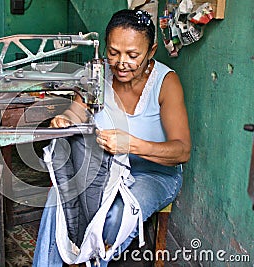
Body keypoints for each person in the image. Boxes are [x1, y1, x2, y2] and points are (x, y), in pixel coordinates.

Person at [33, 9, 191, 266]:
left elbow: (181, 151)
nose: (120, 63)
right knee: (58, 199)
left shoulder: (166, 82)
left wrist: (130, 144)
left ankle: (92, 260)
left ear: (151, 52)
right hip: (102, 169)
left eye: (133, 55)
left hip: (152, 174)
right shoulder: (97, 74)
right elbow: (76, 111)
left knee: (114, 214)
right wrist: (65, 121)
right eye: (113, 52)